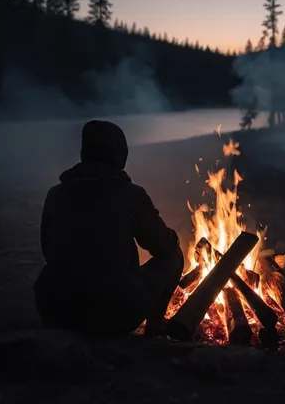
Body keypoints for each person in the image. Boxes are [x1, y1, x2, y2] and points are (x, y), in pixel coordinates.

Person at [33, 120, 184, 337]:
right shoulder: (131, 195)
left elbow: (47, 249)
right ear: (119, 155)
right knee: (174, 256)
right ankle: (154, 327)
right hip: (112, 314)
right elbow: (163, 247)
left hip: (54, 309)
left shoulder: (55, 194)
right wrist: (172, 239)